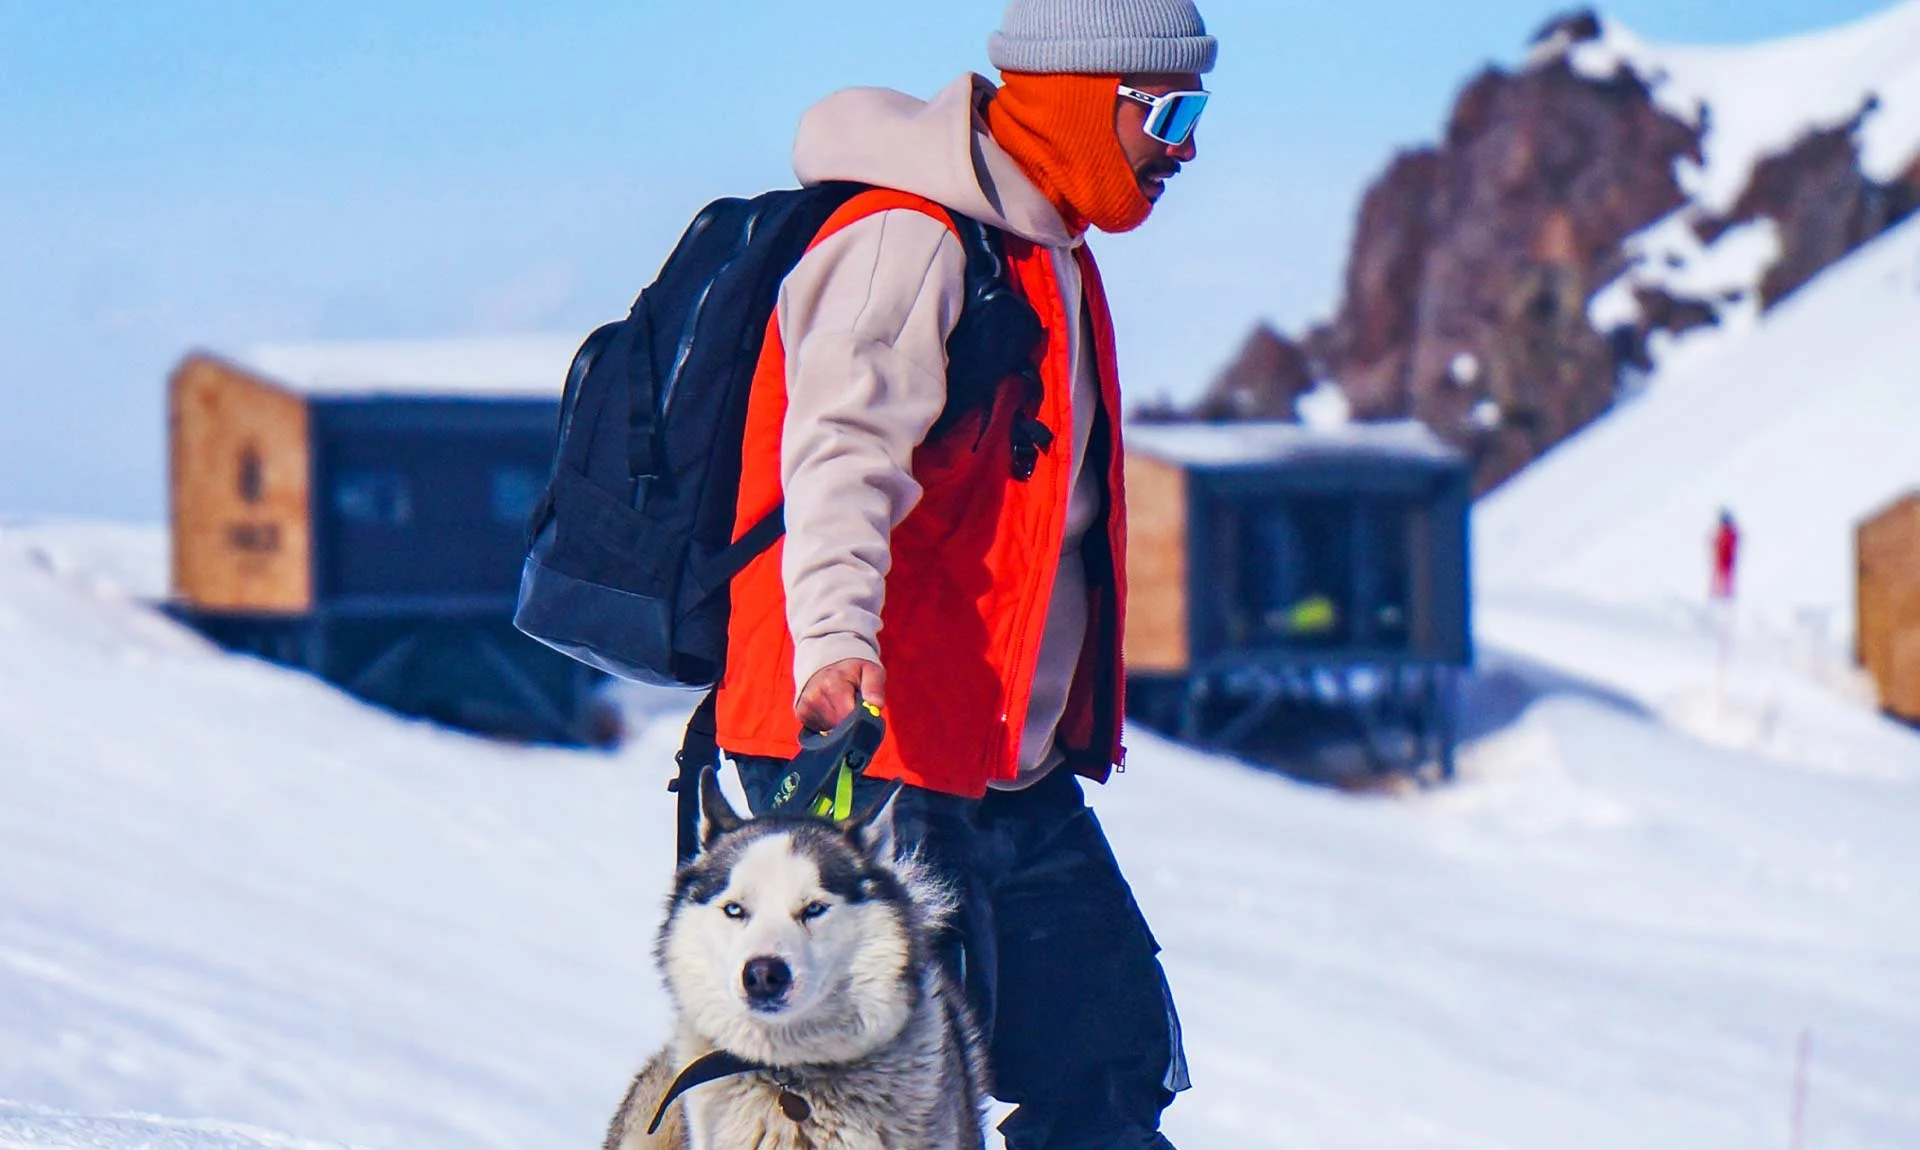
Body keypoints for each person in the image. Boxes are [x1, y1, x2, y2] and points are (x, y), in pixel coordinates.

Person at [711, 2, 1215, 1146]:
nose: (1186, 146)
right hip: (865, 751)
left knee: (1107, 1055)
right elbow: (837, 459)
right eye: (1171, 111)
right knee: (888, 1112)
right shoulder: (915, 239)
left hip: (1001, 765)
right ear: (1088, 96)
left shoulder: (1047, 256)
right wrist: (834, 649)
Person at [1711, 508, 1740, 601]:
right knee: (1719, 577)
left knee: (1726, 577)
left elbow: (1732, 545)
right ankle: (1717, 595)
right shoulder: (1721, 532)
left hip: (1727, 559)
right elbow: (1715, 544)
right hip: (1721, 559)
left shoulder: (1730, 533)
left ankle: (1725, 596)